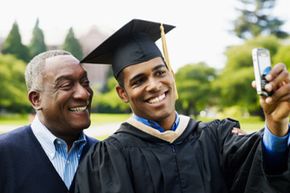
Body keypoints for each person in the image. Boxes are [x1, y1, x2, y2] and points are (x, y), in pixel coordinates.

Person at [74, 19, 290, 193]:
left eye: (160, 72)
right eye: (139, 81)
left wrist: (276, 121)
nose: (154, 85)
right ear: (123, 93)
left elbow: (266, 167)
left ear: (172, 75)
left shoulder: (216, 137)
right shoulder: (109, 158)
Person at [0, 50, 98, 193]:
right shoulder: (4, 154)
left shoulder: (104, 155)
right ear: (36, 99)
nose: (84, 93)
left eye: (85, 82)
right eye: (66, 85)